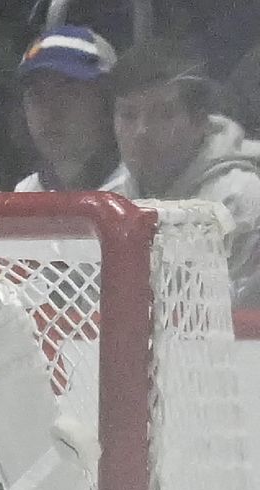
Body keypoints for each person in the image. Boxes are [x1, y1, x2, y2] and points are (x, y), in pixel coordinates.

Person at [111, 37, 260, 307]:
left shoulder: (244, 202)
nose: (142, 131)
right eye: (128, 115)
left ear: (200, 122)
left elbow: (245, 333)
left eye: (163, 114)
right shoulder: (110, 203)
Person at [14, 26, 128, 194]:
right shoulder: (24, 194)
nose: (49, 113)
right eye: (37, 96)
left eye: (69, 95)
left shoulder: (140, 195)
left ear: (108, 105)